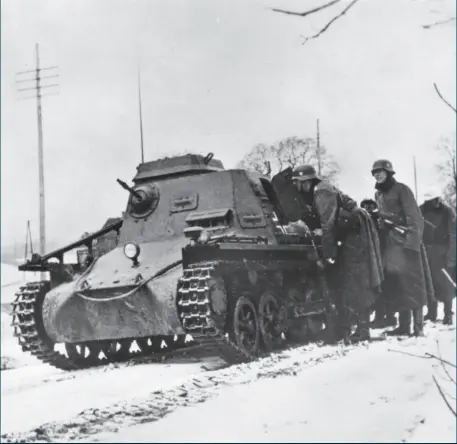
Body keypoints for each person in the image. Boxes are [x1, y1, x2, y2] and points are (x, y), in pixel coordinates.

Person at [291, 164, 384, 343]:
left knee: (355, 279)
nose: (296, 186)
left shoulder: (322, 192)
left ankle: (363, 330)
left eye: (298, 182)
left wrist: (328, 256)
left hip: (354, 233)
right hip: (347, 232)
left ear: (306, 181)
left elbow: (328, 225)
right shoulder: (319, 190)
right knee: (345, 280)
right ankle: (345, 329)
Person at [371, 159, 434, 337]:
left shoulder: (402, 190)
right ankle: (404, 326)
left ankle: (418, 328)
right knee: (398, 286)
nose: (377, 175)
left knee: (414, 286)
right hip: (391, 248)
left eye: (380, 171)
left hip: (406, 245)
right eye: (374, 172)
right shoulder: (379, 195)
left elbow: (415, 218)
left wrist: (411, 245)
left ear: (389, 172)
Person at [420, 194, 456, 325]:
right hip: (426, 250)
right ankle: (431, 312)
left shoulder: (447, 211)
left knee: (445, 283)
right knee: (430, 282)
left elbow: (454, 233)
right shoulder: (421, 210)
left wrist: (451, 255)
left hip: (442, 251)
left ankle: (448, 314)